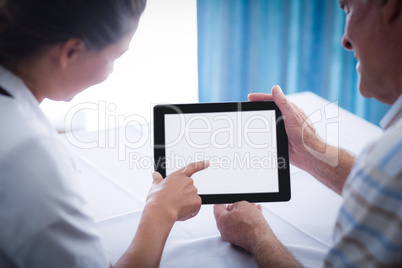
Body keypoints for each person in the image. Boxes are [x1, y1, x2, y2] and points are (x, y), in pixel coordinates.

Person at [0, 0, 209, 267]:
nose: (110, 73)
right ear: (71, 51)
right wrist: (161, 211)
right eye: (114, 57)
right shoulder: (30, 154)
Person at [213, 0, 402, 267]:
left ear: (391, 6)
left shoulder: (391, 162)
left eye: (347, 9)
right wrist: (312, 150)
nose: (345, 40)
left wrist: (257, 236)